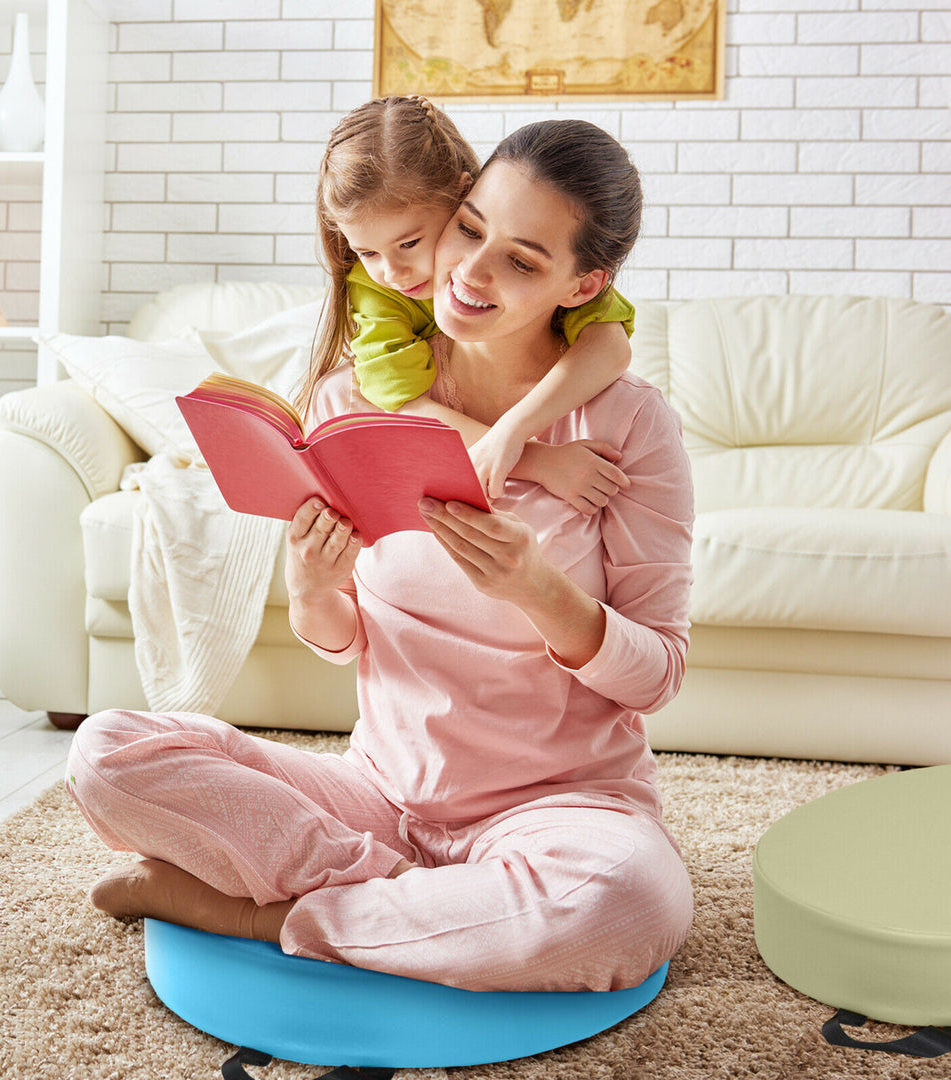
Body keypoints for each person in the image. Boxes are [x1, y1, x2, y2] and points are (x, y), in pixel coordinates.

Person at [65, 118, 695, 994]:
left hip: (560, 806)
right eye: (470, 229)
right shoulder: (349, 397)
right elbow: (348, 642)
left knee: (623, 902)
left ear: (583, 283)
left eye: (522, 259)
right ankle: (419, 901)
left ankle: (264, 912)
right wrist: (312, 587)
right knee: (106, 754)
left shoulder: (627, 423)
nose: (470, 272)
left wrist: (540, 591)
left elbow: (657, 675)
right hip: (380, 797)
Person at [310, 94, 635, 509]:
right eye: (367, 253)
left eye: (410, 243)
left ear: (461, 195)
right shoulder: (378, 292)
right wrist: (538, 462)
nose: (392, 274)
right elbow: (403, 407)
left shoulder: (556, 274)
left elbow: (610, 344)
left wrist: (514, 429)